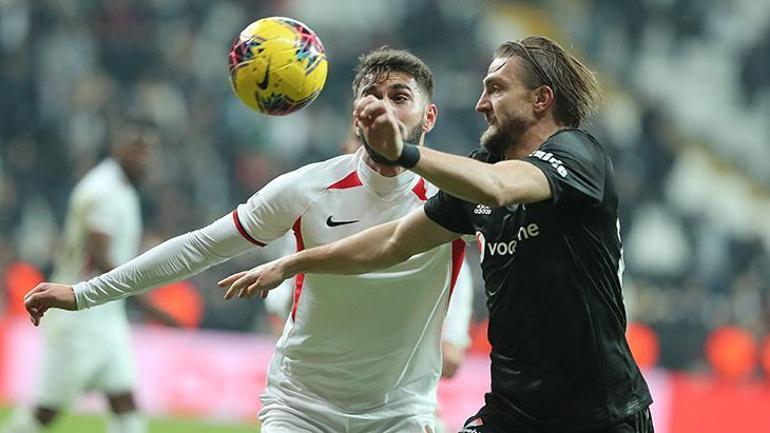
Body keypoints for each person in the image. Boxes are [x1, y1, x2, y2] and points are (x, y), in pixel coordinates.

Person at [214, 36, 655, 433]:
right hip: (513, 411)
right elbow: (391, 242)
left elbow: (500, 188)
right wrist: (293, 262)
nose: (482, 103)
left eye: (496, 88)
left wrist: (403, 153)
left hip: (601, 414)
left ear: (541, 99)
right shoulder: (478, 172)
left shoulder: (579, 157)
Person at [24, 48, 469, 433]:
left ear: (428, 116)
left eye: (399, 97)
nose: (384, 107)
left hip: (401, 413)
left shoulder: (458, 196)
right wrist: (83, 293)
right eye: (372, 95)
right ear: (356, 111)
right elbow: (200, 246)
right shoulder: (307, 188)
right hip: (301, 408)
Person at [3, 118, 178, 433]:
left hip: (106, 319)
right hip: (79, 320)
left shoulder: (120, 188)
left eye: (148, 150)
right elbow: (100, 259)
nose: (144, 157)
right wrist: (149, 305)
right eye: (136, 149)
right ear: (117, 147)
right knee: (45, 412)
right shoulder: (104, 192)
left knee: (124, 401)